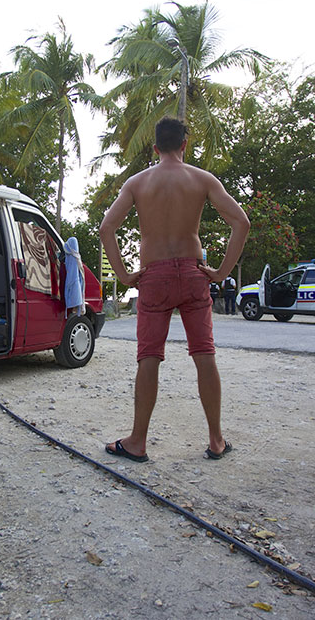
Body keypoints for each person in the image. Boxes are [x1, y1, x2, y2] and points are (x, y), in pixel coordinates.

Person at [99, 117, 250, 462]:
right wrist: (222, 272)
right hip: (195, 273)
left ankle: (137, 442)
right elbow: (241, 222)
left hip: (153, 276)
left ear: (155, 147)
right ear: (184, 144)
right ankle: (216, 440)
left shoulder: (137, 183)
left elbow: (107, 228)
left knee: (148, 356)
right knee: (204, 355)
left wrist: (123, 275)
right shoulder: (202, 179)